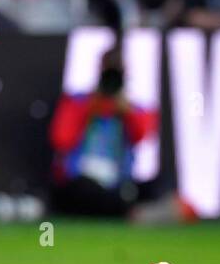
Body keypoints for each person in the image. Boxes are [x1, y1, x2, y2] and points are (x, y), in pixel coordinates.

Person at [49, 51, 157, 219]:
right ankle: (130, 212)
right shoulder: (78, 102)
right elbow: (60, 140)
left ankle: (128, 209)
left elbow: (143, 136)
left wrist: (127, 111)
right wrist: (88, 109)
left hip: (118, 183)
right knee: (83, 190)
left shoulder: (133, 108)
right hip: (83, 180)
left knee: (158, 185)